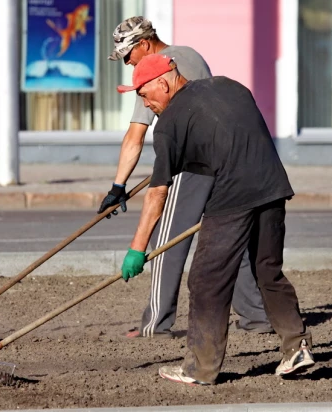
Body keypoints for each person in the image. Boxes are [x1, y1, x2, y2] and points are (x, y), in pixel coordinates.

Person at [118, 54, 315, 385]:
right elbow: (231, 138)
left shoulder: (168, 124)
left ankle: (200, 368)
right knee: (267, 271)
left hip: (231, 199)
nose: (146, 105)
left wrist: (137, 248)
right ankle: (296, 347)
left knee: (206, 281)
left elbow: (157, 194)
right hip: (273, 187)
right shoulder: (229, 86)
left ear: (163, 84)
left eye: (143, 95)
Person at [98, 16, 273, 338]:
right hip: (222, 164)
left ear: (144, 45)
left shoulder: (156, 73)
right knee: (227, 238)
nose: (128, 63)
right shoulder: (190, 56)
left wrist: (118, 186)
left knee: (164, 242)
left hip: (189, 168)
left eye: (128, 55)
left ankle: (156, 324)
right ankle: (256, 318)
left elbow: (135, 136)